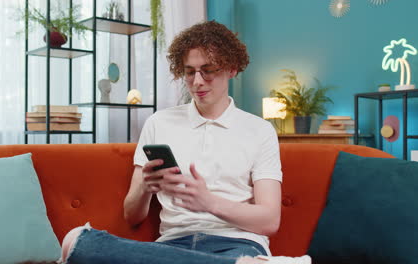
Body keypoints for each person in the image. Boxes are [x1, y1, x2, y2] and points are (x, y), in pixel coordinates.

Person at [57, 20, 311, 264]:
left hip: (236, 245)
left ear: (232, 68)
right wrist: (145, 187)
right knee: (78, 240)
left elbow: (269, 220)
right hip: (171, 245)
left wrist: (208, 202)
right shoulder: (159, 123)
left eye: (208, 70)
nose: (197, 82)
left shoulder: (260, 130)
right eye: (190, 72)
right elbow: (131, 216)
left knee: (78, 247)